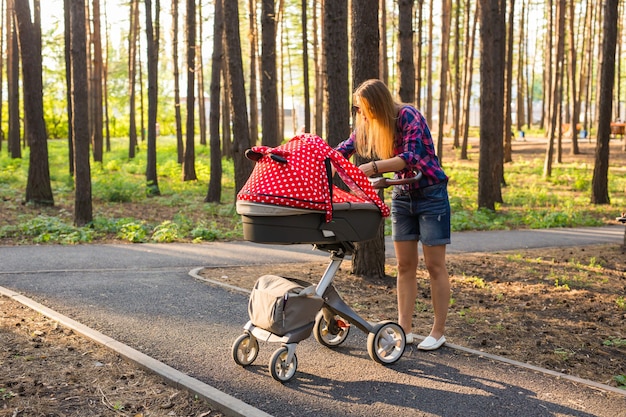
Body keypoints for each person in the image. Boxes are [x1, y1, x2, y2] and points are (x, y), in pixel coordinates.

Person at [335, 79, 451, 351]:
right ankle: (405, 329)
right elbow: (346, 147)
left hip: (431, 195)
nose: (361, 115)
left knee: (435, 266)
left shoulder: (408, 116)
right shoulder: (368, 124)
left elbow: (409, 158)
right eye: (357, 109)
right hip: (402, 196)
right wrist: (326, 160)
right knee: (404, 266)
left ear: (377, 105)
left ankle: (438, 331)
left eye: (364, 109)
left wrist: (371, 168)